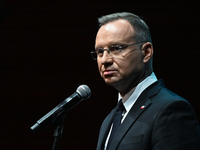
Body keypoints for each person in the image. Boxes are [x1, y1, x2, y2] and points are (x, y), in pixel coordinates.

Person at [90, 12, 200, 150]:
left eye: (116, 49)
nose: (105, 60)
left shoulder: (171, 109)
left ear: (146, 52)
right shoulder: (109, 119)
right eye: (100, 52)